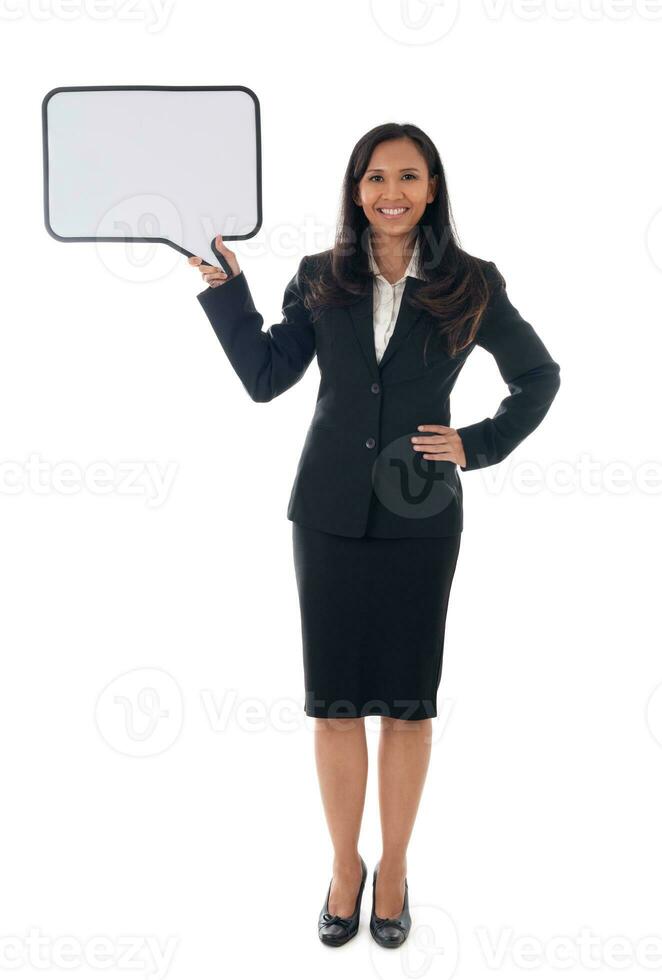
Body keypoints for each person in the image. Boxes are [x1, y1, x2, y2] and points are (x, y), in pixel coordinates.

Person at [189, 122, 561, 948]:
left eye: (408, 176)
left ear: (432, 189)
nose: (390, 191)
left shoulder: (472, 283)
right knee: (332, 709)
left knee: (406, 706)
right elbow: (264, 377)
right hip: (325, 514)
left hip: (422, 512)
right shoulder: (322, 278)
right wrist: (228, 293)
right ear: (356, 190)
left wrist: (478, 442)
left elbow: (539, 377)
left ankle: (393, 868)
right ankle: (343, 866)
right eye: (374, 177)